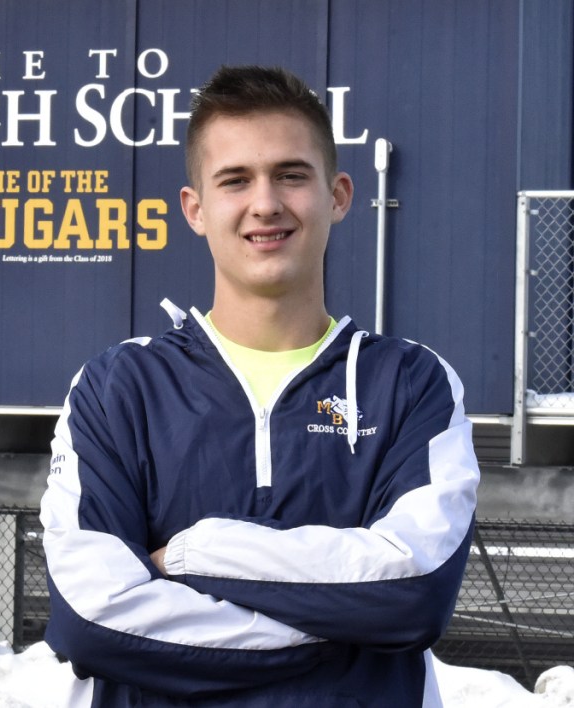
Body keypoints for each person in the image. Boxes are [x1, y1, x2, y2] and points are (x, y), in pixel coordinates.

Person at [39, 65, 480, 707]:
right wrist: (345, 633)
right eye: (235, 180)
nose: (266, 203)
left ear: (339, 195)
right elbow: (91, 619)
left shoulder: (411, 384)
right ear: (195, 208)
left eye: (291, 175)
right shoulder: (118, 387)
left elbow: (415, 589)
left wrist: (191, 557)